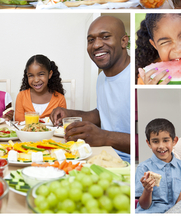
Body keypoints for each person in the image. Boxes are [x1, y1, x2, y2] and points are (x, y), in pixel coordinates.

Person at [50, 16, 131, 163]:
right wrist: (69, 114)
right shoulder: (102, 77)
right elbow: (104, 114)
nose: (96, 45)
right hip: (103, 154)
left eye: (105, 37)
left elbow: (150, 140)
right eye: (91, 40)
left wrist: (104, 137)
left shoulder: (139, 77)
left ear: (124, 41)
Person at [135, 118, 181, 213]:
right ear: (148, 143)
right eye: (155, 141)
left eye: (166, 140)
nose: (161, 146)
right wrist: (147, 190)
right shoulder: (143, 168)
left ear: (174, 141)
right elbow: (144, 205)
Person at [15, 55, 66, 122]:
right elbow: (19, 123)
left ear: (50, 74)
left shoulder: (60, 98)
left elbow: (60, 124)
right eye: (31, 75)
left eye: (41, 74)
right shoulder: (21, 96)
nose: (36, 80)